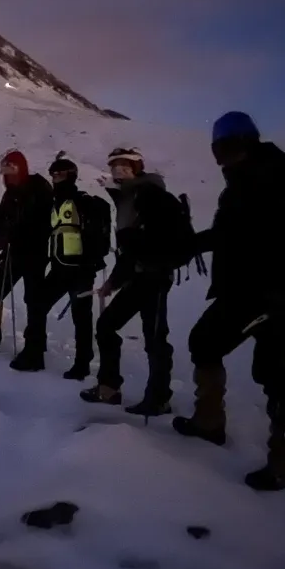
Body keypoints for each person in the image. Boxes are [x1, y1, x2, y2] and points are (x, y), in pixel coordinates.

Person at [173, 112, 285, 491]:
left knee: (274, 369)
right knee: (206, 342)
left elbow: (249, 232)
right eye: (220, 150)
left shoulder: (271, 177)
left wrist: (195, 244)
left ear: (248, 143)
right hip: (248, 289)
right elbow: (230, 232)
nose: (225, 157)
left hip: (275, 289)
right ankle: (209, 422)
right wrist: (192, 246)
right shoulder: (246, 181)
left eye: (231, 148)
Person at [80, 147, 183, 415]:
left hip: (155, 275)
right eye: (114, 166)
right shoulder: (126, 198)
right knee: (106, 326)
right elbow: (128, 248)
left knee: (155, 337)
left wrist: (117, 278)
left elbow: (142, 243)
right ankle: (109, 388)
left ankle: (158, 397)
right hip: (137, 275)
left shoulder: (151, 194)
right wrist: (114, 280)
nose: (118, 170)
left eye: (125, 165)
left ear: (138, 166)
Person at [0, 149, 52, 369]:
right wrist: (0, 239)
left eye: (11, 169)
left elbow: (44, 220)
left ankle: (35, 352)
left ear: (21, 168)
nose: (8, 175)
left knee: (34, 302)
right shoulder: (10, 194)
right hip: (15, 253)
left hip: (35, 253)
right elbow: (0, 221)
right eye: (5, 170)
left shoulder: (38, 187)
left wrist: (19, 229)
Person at [40, 157, 104, 380]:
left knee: (81, 318)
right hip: (59, 268)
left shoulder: (82, 201)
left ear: (71, 176)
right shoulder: (54, 203)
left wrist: (91, 262)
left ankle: (82, 364)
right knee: (38, 304)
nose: (56, 179)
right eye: (53, 175)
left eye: (60, 175)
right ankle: (36, 351)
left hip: (81, 270)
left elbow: (94, 235)